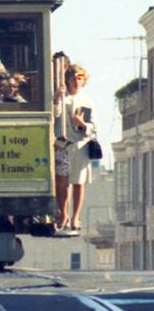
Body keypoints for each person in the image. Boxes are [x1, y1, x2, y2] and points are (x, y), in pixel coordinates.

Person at [53, 63, 96, 233]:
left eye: (80, 78)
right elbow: (55, 114)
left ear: (84, 81)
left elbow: (93, 125)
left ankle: (76, 216)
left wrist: (82, 124)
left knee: (79, 182)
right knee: (62, 181)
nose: (76, 81)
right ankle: (63, 214)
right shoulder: (63, 98)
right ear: (68, 80)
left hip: (80, 144)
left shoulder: (87, 101)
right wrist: (57, 97)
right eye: (73, 78)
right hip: (63, 144)